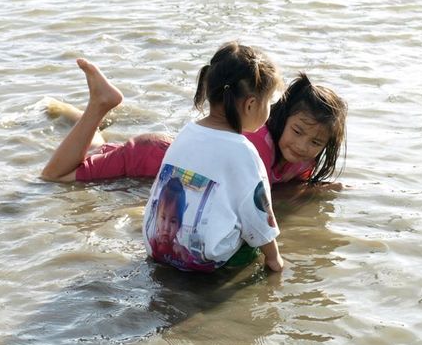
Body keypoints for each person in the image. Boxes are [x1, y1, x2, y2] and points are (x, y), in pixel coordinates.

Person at [43, 41, 285, 272]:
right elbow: (258, 212)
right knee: (252, 238)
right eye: (269, 102)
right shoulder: (244, 150)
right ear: (251, 104)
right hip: (205, 264)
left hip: (157, 248)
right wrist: (274, 258)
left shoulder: (187, 133)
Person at [42, 74, 348, 188]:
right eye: (297, 131)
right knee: (55, 177)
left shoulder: (302, 158)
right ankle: (98, 106)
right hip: (148, 158)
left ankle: (76, 115)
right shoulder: (253, 147)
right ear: (281, 116)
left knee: (97, 150)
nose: (303, 145)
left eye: (316, 142)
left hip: (168, 154)